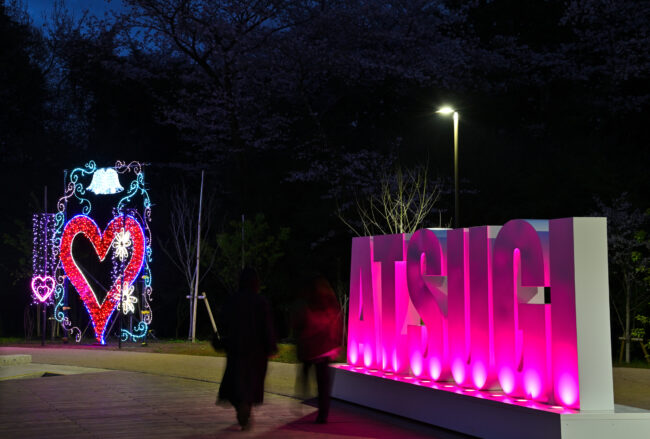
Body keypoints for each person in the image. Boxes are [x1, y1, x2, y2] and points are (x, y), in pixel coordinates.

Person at [217, 267, 277, 430]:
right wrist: (271, 346)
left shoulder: (232, 300)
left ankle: (241, 407)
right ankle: (246, 406)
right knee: (252, 382)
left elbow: (223, 323)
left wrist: (220, 341)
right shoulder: (261, 302)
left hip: (236, 347)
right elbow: (267, 327)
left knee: (236, 381)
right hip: (257, 351)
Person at [294, 274, 343, 424]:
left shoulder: (309, 301)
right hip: (324, 348)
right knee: (323, 382)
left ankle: (303, 398)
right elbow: (336, 319)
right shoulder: (328, 299)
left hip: (312, 347)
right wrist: (337, 342)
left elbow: (301, 322)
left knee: (307, 374)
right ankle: (322, 413)